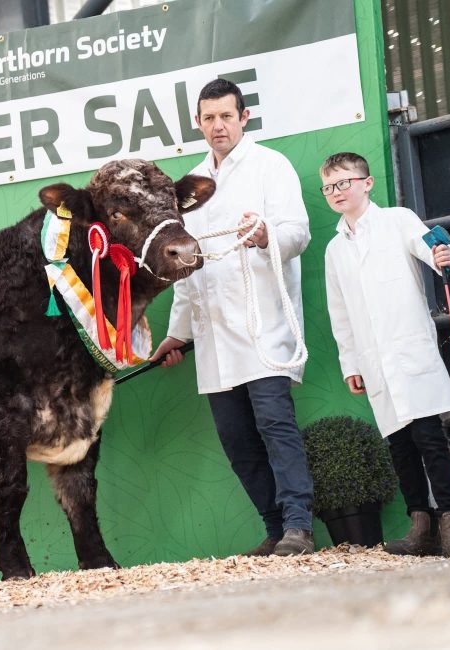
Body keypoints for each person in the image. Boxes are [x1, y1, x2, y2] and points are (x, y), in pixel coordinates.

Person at [151, 79, 314, 556]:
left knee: (275, 426)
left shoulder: (271, 167)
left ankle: (299, 527)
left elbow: (298, 234)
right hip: (214, 335)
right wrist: (176, 336)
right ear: (197, 123)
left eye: (226, 115)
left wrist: (265, 235)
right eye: (208, 118)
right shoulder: (191, 184)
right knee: (237, 441)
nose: (217, 125)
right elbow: (185, 267)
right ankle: (273, 526)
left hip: (263, 326)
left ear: (244, 117)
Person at [319, 151, 450, 557]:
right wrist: (350, 363)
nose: (336, 191)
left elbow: (435, 252)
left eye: (344, 182)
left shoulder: (398, 219)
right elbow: (340, 314)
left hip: (409, 348)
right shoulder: (334, 250)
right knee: (400, 444)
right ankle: (419, 523)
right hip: (373, 358)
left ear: (366, 183)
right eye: (329, 186)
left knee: (429, 436)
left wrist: (448, 257)